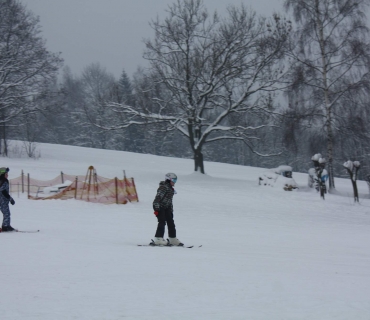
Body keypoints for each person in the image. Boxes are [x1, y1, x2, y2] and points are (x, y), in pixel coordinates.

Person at [152, 173, 183, 246]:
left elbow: (169, 201)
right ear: (169, 180)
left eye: (176, 180)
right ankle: (158, 238)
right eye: (173, 180)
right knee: (162, 221)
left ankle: (172, 238)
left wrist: (171, 210)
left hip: (167, 207)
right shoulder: (163, 187)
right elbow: (157, 199)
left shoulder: (170, 188)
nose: (175, 182)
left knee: (171, 222)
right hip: (159, 206)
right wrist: (157, 209)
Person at [0, 167, 16, 232]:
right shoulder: (3, 181)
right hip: (2, 201)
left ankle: (7, 225)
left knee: (7, 213)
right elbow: (3, 191)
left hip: (3, 201)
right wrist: (10, 199)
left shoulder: (3, 181)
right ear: (3, 174)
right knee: (6, 213)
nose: (7, 175)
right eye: (6, 174)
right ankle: (5, 226)